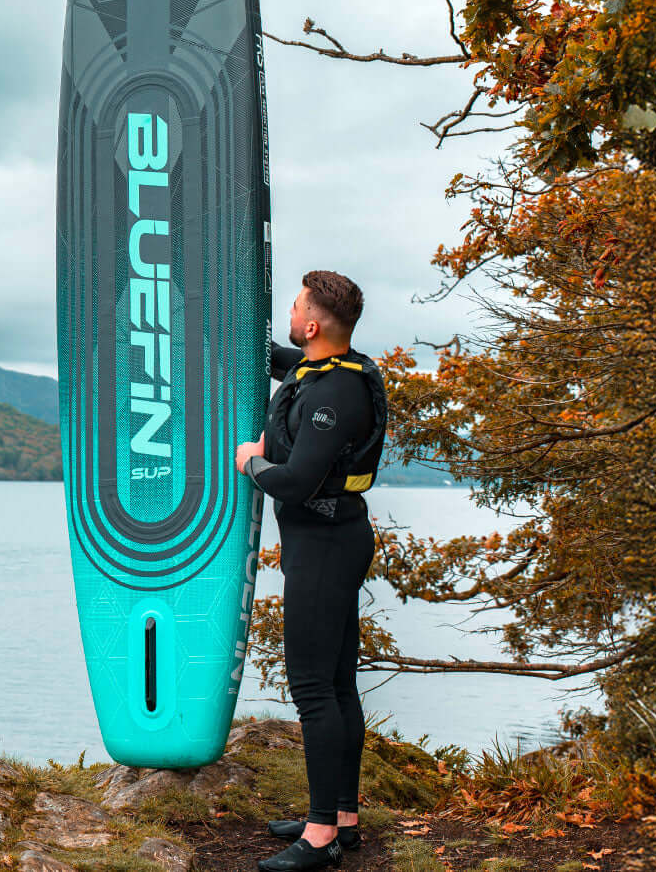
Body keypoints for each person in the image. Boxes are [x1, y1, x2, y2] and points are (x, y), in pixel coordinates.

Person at [235, 270, 388, 872]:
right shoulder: (332, 370)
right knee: (338, 680)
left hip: (324, 545)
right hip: (332, 540)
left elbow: (295, 485)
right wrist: (226, 322)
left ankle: (320, 835)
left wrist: (252, 462)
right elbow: (277, 360)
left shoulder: (335, 395)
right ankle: (342, 815)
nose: (290, 314)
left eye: (295, 306)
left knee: (313, 688)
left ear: (313, 325)